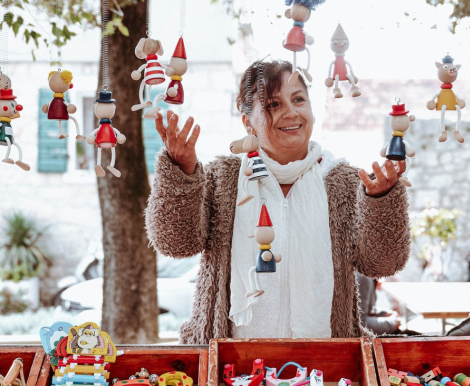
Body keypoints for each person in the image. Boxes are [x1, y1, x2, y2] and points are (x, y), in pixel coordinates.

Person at [145, 58, 411, 342]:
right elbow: (174, 243)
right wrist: (181, 172)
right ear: (248, 121)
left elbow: (384, 264)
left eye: (298, 99)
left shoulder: (344, 182)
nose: (291, 112)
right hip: (230, 366)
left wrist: (381, 200)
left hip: (325, 366)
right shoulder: (223, 178)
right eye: (273, 105)